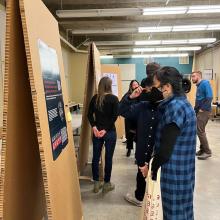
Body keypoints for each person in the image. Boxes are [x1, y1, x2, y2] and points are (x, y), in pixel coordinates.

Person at [150, 66, 196, 220]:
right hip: (184, 171)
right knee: (184, 211)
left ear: (168, 87)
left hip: (174, 173)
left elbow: (165, 149)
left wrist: (153, 169)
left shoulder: (175, 107)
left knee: (173, 214)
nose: (161, 92)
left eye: (161, 88)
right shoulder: (184, 103)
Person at [119, 77, 163, 207]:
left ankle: (154, 201)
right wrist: (130, 97)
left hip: (159, 154)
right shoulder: (142, 106)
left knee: (157, 179)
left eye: (155, 88)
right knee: (141, 175)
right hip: (143, 152)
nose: (152, 92)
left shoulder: (167, 107)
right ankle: (139, 198)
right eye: (149, 89)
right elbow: (121, 111)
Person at [87, 76, 119, 194]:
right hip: (109, 132)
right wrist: (105, 130)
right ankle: (106, 184)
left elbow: (89, 115)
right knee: (108, 158)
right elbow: (114, 117)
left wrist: (94, 127)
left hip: (97, 132)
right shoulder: (114, 99)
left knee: (95, 157)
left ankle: (96, 183)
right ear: (109, 86)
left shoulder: (95, 98)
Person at [191, 71, 213, 160]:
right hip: (199, 111)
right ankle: (202, 149)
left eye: (193, 76)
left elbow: (209, 97)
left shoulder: (205, 83)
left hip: (204, 111)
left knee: (200, 131)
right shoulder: (199, 85)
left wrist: (203, 108)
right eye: (192, 76)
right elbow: (199, 99)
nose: (192, 78)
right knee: (200, 130)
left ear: (199, 76)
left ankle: (207, 152)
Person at [122, 80, 139, 157]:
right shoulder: (128, 95)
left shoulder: (141, 95)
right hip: (129, 119)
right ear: (131, 86)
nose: (135, 86)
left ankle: (137, 153)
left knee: (138, 136)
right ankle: (129, 149)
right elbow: (122, 105)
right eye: (133, 85)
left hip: (138, 119)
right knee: (129, 135)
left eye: (136, 84)